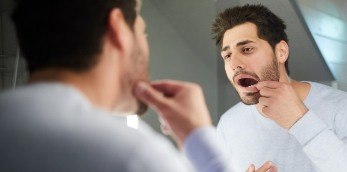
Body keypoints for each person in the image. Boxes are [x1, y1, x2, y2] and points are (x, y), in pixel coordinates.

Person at [0, 0, 278, 172]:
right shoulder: (129, 155)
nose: (235, 62)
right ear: (118, 29)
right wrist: (201, 144)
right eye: (142, 31)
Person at [212, 4, 347, 172]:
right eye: (227, 56)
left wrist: (299, 120)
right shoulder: (228, 124)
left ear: (281, 52)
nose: (234, 64)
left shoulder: (341, 108)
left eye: (247, 49)